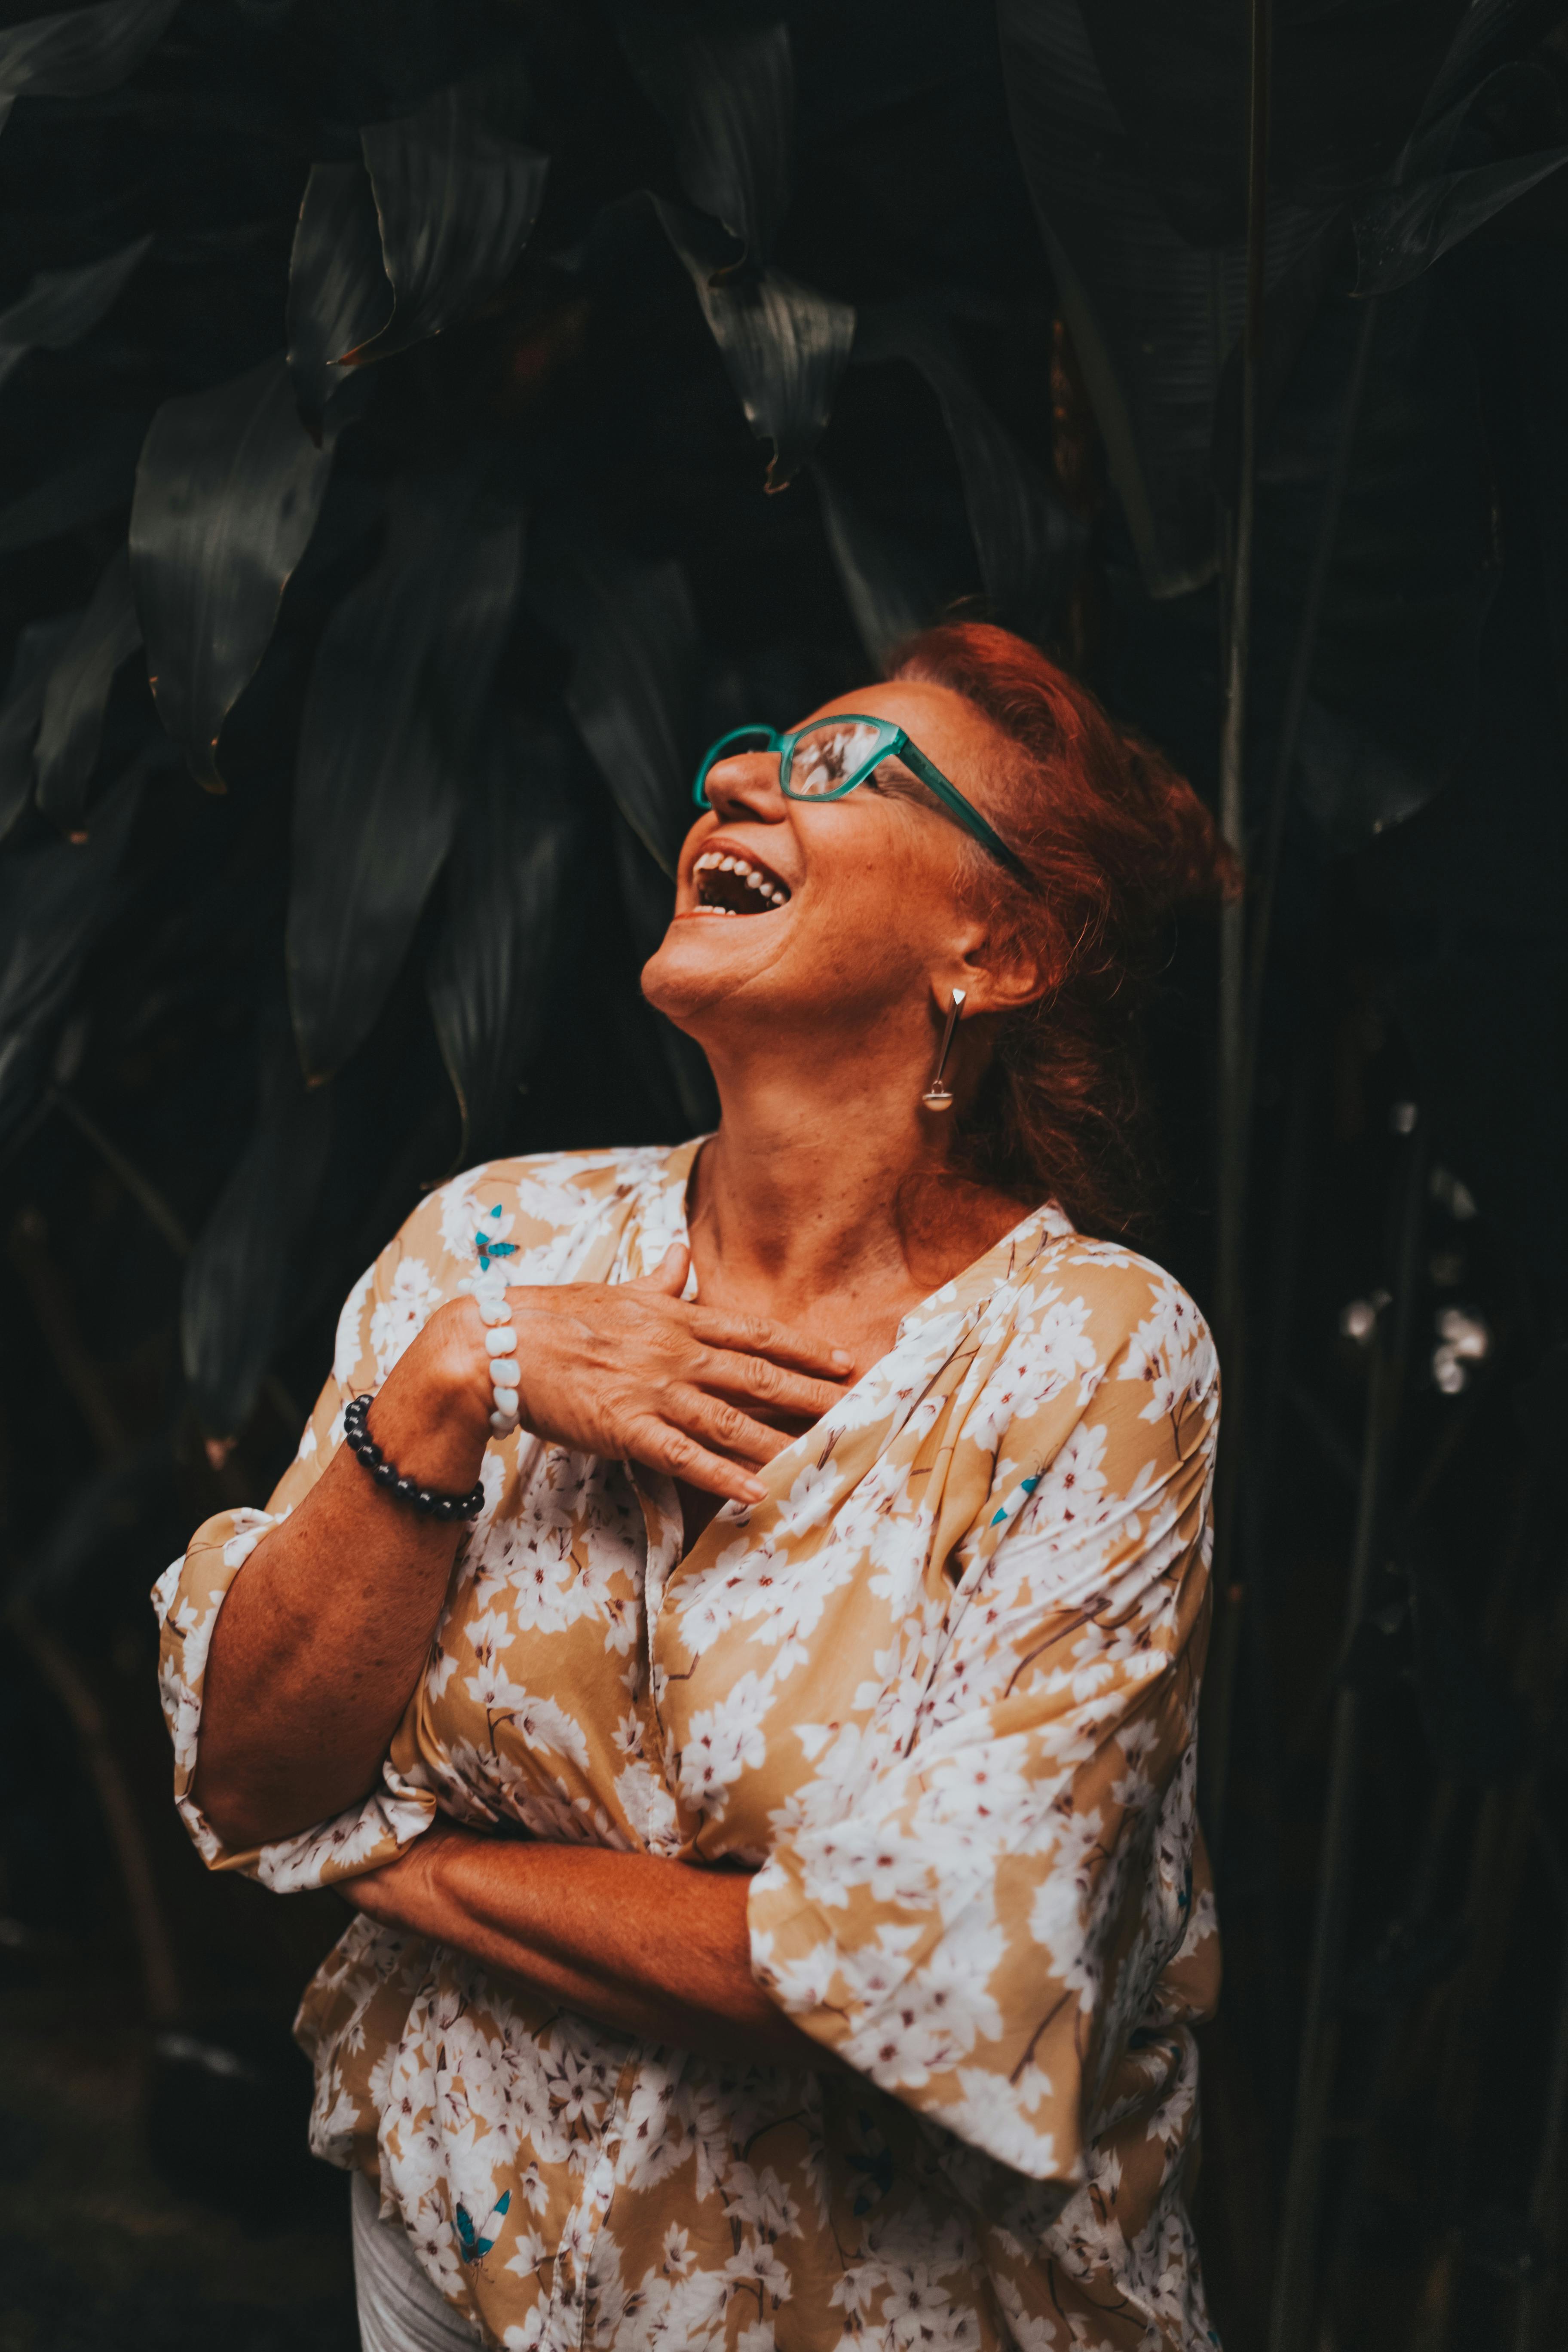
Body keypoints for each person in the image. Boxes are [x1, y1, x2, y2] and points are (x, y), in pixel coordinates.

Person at [155, 621, 1234, 2352]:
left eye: (836, 766)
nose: (730, 776)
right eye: (749, 748)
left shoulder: (1092, 1360)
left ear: (997, 946)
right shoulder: (495, 1242)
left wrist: (382, 1859)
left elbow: (902, 1973)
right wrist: (456, 1382)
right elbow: (252, 1756)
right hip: (450, 2242)